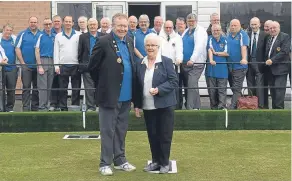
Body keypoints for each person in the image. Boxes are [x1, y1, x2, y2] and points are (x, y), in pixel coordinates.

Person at [88, 13, 136, 176]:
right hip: (109, 95)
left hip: (126, 95)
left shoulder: (129, 40)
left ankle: (120, 160)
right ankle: (105, 163)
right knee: (107, 130)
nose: (123, 29)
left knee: (121, 129)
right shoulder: (103, 41)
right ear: (113, 26)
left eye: (125, 26)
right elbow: (92, 67)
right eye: (120, 26)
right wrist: (103, 84)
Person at [134, 33, 178, 174]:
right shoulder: (140, 63)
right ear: (144, 46)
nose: (150, 47)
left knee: (164, 135)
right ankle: (155, 161)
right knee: (152, 135)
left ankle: (164, 163)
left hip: (165, 105)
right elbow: (137, 86)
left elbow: (173, 81)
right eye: (148, 45)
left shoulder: (166, 61)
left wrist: (159, 89)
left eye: (153, 45)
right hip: (148, 106)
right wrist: (137, 105)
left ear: (158, 47)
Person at [54, 16, 81, 111]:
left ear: (73, 23)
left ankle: (75, 106)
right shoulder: (58, 36)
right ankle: (63, 107)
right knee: (62, 88)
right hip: (63, 65)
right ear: (63, 23)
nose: (68, 23)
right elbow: (56, 52)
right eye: (66, 21)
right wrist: (56, 66)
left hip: (76, 65)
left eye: (70, 21)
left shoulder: (79, 35)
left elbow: (81, 51)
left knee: (76, 88)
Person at [181, 13, 207, 110]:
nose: (191, 23)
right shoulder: (187, 31)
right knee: (192, 85)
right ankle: (197, 107)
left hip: (196, 64)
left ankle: (190, 108)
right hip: (185, 64)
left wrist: (192, 59)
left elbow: (198, 47)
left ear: (196, 21)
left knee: (191, 83)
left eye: (193, 21)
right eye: (189, 21)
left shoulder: (200, 31)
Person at [15, 16, 42, 111]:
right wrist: (22, 63)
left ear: (37, 23)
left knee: (36, 88)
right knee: (26, 88)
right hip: (26, 67)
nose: (33, 24)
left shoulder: (41, 34)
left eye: (35, 22)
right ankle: (25, 108)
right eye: (31, 22)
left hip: (38, 67)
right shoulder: (22, 34)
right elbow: (17, 49)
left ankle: (35, 108)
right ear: (28, 22)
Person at [78, 18, 104, 111]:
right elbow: (80, 52)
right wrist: (82, 65)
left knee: (100, 87)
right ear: (88, 26)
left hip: (100, 67)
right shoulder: (83, 37)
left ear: (97, 26)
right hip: (87, 66)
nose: (92, 26)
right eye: (90, 25)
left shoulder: (103, 36)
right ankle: (90, 106)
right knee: (89, 88)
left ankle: (99, 106)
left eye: (94, 24)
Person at [265, 21, 290, 109]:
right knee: (273, 92)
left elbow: (284, 52)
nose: (272, 30)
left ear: (279, 28)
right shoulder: (269, 38)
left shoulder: (285, 37)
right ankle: (274, 111)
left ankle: (279, 111)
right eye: (270, 28)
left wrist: (272, 60)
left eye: (274, 28)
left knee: (279, 92)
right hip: (270, 70)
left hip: (280, 70)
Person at [159, 20, 183, 109]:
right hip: (162, 66)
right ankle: (164, 105)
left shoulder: (177, 37)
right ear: (164, 27)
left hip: (174, 66)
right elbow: (158, 51)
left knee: (174, 86)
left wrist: (179, 59)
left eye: (170, 27)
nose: (168, 29)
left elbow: (179, 50)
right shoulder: (159, 37)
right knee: (164, 86)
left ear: (173, 27)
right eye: (166, 27)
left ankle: (176, 106)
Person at [226, 19, 249, 109]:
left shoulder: (243, 34)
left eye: (235, 25)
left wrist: (243, 58)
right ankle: (239, 104)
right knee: (233, 87)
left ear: (240, 26)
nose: (233, 27)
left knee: (237, 88)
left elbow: (243, 47)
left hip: (239, 66)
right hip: (229, 66)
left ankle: (233, 107)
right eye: (232, 25)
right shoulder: (228, 36)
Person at [246, 17, 269, 109]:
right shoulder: (247, 34)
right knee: (250, 83)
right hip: (249, 61)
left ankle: (261, 105)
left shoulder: (265, 35)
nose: (253, 26)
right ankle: (252, 104)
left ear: (259, 24)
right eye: (252, 24)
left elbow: (267, 50)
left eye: (255, 24)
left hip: (260, 62)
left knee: (260, 85)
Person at [206, 24, 229, 110]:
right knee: (212, 91)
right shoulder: (210, 38)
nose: (215, 32)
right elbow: (210, 49)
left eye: (217, 30)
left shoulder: (225, 39)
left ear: (221, 30)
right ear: (211, 31)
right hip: (212, 70)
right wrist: (211, 60)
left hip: (222, 70)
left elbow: (227, 53)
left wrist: (216, 53)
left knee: (222, 90)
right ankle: (213, 108)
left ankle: (222, 108)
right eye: (214, 31)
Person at [35, 18, 55, 111]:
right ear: (43, 25)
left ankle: (47, 105)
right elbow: (37, 51)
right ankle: (42, 106)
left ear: (52, 25)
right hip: (43, 61)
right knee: (42, 86)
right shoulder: (40, 35)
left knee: (49, 85)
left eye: (49, 24)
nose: (48, 26)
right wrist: (39, 66)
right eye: (46, 24)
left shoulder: (54, 36)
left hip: (52, 61)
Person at [0, 24, 17, 112]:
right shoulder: (0, 40)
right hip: (1, 69)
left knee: (11, 90)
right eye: (7, 30)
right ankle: (2, 108)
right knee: (1, 90)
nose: (8, 32)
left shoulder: (14, 39)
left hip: (12, 68)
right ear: (3, 30)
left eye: (10, 30)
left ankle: (10, 108)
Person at [50, 15, 63, 111]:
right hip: (51, 61)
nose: (57, 23)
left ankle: (60, 104)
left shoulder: (64, 33)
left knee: (62, 83)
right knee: (53, 83)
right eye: (55, 21)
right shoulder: (48, 33)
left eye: (58, 21)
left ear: (61, 22)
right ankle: (53, 103)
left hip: (62, 61)